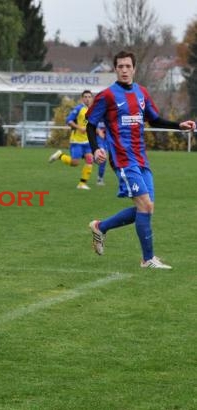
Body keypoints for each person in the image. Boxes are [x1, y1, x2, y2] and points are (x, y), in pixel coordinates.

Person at [86, 50, 196, 269]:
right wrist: (97, 148)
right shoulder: (107, 96)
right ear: (115, 69)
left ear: (134, 69)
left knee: (147, 209)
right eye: (120, 67)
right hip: (123, 160)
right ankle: (147, 259)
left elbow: (154, 120)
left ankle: (101, 227)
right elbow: (90, 124)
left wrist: (179, 125)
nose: (124, 70)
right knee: (144, 205)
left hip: (141, 159)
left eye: (128, 66)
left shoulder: (141, 93)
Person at [48, 90, 94, 189]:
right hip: (77, 140)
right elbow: (68, 120)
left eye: (89, 97)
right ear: (82, 99)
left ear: (92, 98)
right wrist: (79, 127)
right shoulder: (78, 108)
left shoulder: (92, 110)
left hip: (87, 141)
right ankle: (60, 156)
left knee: (90, 159)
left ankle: (82, 184)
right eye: (85, 97)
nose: (87, 99)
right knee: (75, 163)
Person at [95, 121, 108, 185]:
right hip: (97, 141)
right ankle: (100, 179)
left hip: (105, 142)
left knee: (103, 160)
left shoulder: (108, 117)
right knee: (102, 158)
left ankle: (100, 178)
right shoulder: (95, 117)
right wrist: (98, 131)